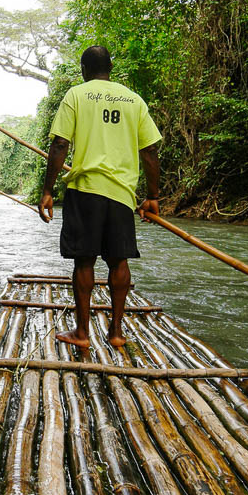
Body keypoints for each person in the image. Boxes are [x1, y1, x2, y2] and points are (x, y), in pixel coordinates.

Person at [39, 45, 161, 351]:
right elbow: (149, 151)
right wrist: (153, 197)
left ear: (83, 69)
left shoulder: (77, 96)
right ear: (111, 67)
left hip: (86, 189)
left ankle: (82, 332)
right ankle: (116, 332)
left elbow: (60, 145)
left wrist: (47, 191)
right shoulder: (133, 100)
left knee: (84, 261)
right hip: (121, 193)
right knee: (119, 261)